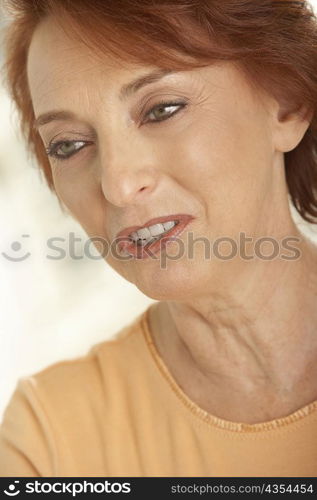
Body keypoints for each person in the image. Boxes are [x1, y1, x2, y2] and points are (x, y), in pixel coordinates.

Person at [0, 0, 317, 477]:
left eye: (162, 110)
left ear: (287, 103)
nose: (119, 186)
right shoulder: (48, 444)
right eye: (69, 145)